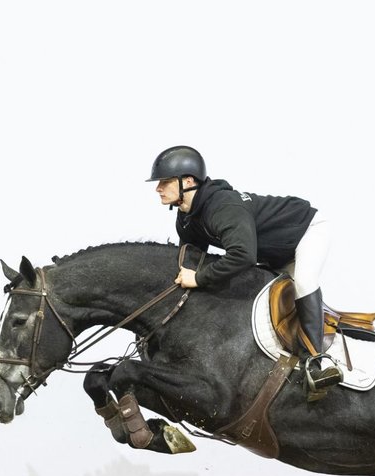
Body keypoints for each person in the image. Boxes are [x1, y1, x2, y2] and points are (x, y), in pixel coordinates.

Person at [147, 145, 343, 398]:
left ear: (188, 181)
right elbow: (192, 261)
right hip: (272, 252)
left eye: (164, 181)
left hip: (305, 231)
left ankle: (319, 362)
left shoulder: (222, 207)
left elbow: (242, 255)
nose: (158, 188)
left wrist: (198, 278)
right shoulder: (187, 218)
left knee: (304, 283)